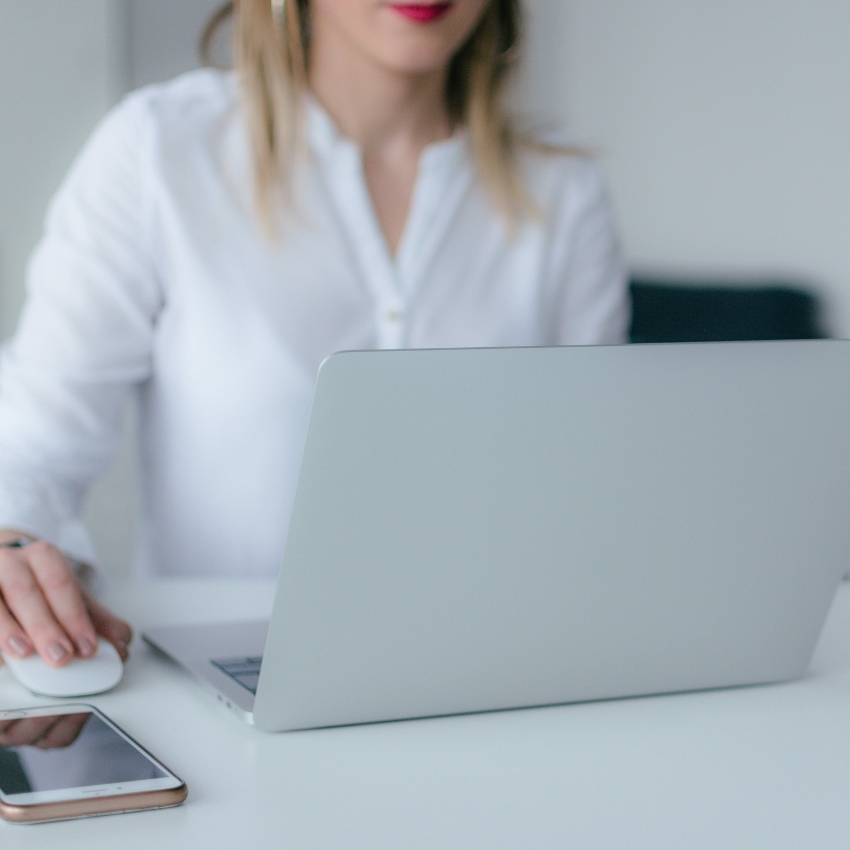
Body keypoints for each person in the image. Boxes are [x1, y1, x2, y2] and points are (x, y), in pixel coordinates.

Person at [0, 0, 628, 670]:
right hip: (221, 681)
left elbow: (588, 499)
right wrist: (14, 549)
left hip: (487, 672)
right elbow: (32, 449)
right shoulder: (160, 152)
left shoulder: (564, 197)